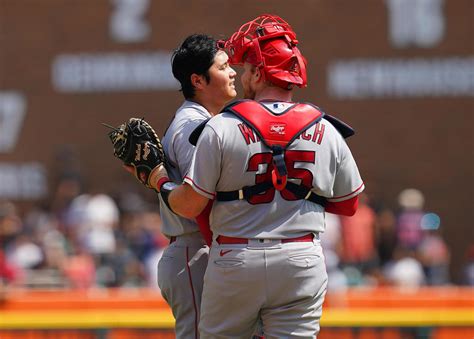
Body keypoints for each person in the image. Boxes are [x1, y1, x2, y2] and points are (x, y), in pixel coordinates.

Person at [149, 14, 364, 338]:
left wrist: (158, 180)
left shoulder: (221, 126)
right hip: (302, 256)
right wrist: (300, 198)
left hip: (236, 255)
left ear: (259, 73)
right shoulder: (325, 127)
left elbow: (194, 204)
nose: (239, 72)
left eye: (246, 66)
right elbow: (349, 204)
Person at [141, 34, 237, 338]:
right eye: (223, 67)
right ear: (198, 80)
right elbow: (201, 200)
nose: (233, 72)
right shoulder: (191, 127)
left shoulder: (204, 121)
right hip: (193, 250)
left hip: (200, 249)